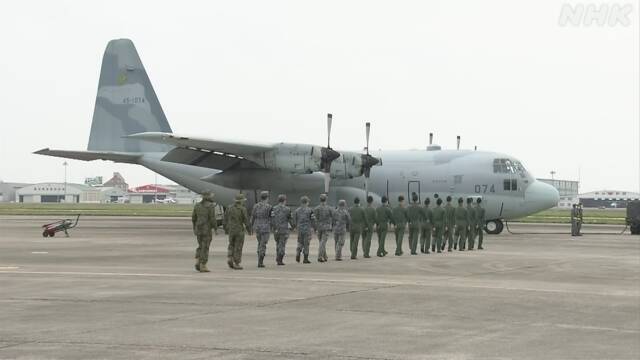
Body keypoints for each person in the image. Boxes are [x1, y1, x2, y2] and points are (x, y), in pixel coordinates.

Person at [192, 192, 217, 272]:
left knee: (200, 245)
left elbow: (193, 218)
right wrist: (215, 228)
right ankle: (203, 265)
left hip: (198, 229)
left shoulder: (197, 205)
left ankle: (197, 260)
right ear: (208, 197)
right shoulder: (210, 206)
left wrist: (195, 228)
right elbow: (212, 219)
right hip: (206, 229)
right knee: (205, 247)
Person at [223, 193, 250, 270]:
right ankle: (236, 263)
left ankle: (229, 257)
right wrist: (249, 229)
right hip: (239, 230)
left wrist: (225, 228)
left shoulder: (229, 208)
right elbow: (246, 220)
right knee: (238, 246)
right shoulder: (242, 209)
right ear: (241, 201)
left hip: (231, 230)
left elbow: (225, 219)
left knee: (231, 244)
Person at [250, 191, 272, 268]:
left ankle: (259, 257)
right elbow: (272, 218)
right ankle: (260, 262)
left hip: (258, 228)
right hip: (265, 228)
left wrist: (251, 227)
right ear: (267, 198)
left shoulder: (256, 206)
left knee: (260, 243)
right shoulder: (269, 207)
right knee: (263, 244)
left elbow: (252, 217)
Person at [271, 194, 293, 265]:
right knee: (282, 245)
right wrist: (293, 227)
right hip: (284, 230)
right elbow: (290, 219)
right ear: (284, 201)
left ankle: (278, 258)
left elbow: (271, 219)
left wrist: (273, 227)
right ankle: (280, 259)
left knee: (278, 244)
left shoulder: (273, 208)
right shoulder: (287, 209)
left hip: (276, 229)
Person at [293, 196, 315, 264]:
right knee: (306, 244)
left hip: (300, 228)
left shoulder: (297, 210)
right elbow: (313, 219)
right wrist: (313, 227)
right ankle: (305, 259)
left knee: (300, 242)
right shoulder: (310, 210)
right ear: (307, 202)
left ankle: (298, 252)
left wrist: (295, 227)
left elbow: (294, 219)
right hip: (307, 229)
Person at [313, 193, 334, 262]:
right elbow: (333, 216)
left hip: (319, 227)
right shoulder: (329, 208)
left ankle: (325, 256)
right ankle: (320, 256)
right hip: (326, 228)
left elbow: (315, 218)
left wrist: (315, 228)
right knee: (323, 243)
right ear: (326, 199)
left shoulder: (316, 208)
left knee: (321, 242)